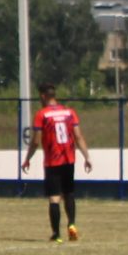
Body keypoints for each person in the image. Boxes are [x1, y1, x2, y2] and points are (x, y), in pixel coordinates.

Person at [24, 90, 92, 243]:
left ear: (42, 96)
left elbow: (35, 142)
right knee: (69, 193)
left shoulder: (42, 114)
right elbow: (78, 136)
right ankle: (72, 224)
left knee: (54, 198)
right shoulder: (69, 112)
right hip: (69, 159)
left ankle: (56, 234)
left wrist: (27, 158)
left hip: (52, 161)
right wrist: (87, 157)